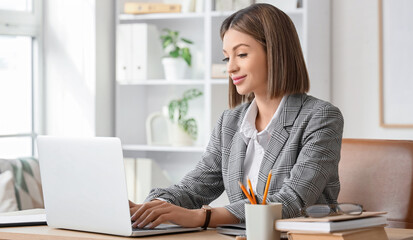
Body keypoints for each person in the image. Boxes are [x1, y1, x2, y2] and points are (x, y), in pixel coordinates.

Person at [129, 3, 344, 229]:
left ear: (275, 52)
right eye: (226, 58)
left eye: (241, 54)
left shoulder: (321, 118)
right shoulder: (230, 123)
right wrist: (153, 208)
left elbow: (292, 201)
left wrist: (201, 217)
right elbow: (194, 188)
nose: (230, 67)